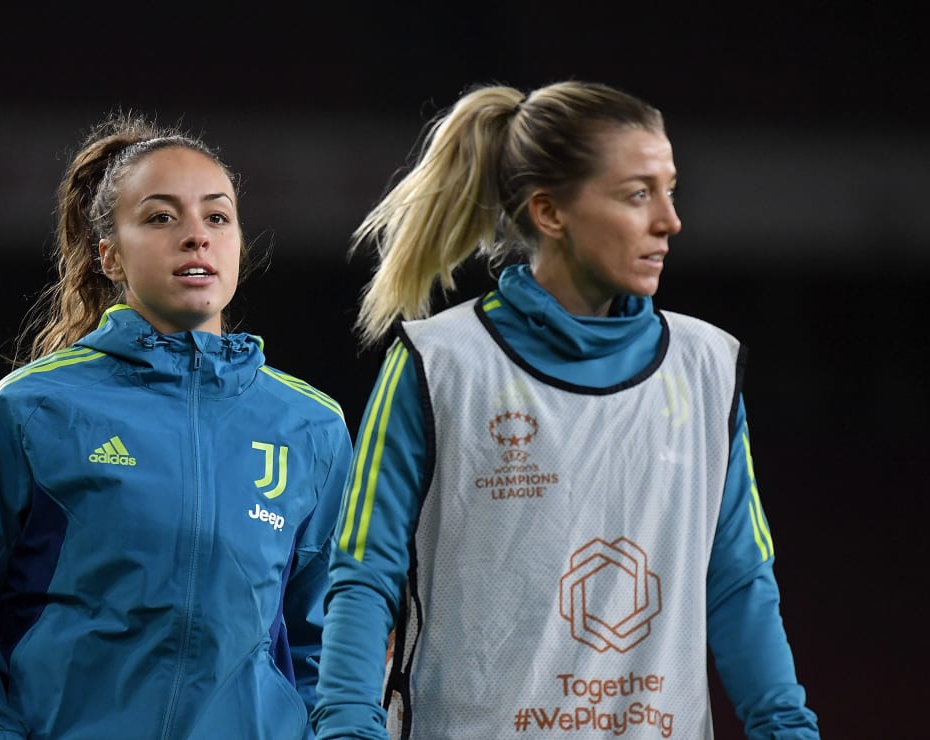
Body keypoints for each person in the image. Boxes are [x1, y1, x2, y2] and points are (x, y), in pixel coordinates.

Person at [310, 82, 820, 739]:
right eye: (638, 194)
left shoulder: (708, 367)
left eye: (670, 190)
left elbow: (738, 583)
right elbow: (362, 576)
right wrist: (347, 728)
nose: (670, 219)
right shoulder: (438, 363)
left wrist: (787, 728)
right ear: (550, 213)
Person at [0, 112, 353, 740]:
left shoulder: (312, 426)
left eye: (217, 217)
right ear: (110, 254)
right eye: (162, 217)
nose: (197, 236)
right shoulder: (33, 407)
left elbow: (326, 645)